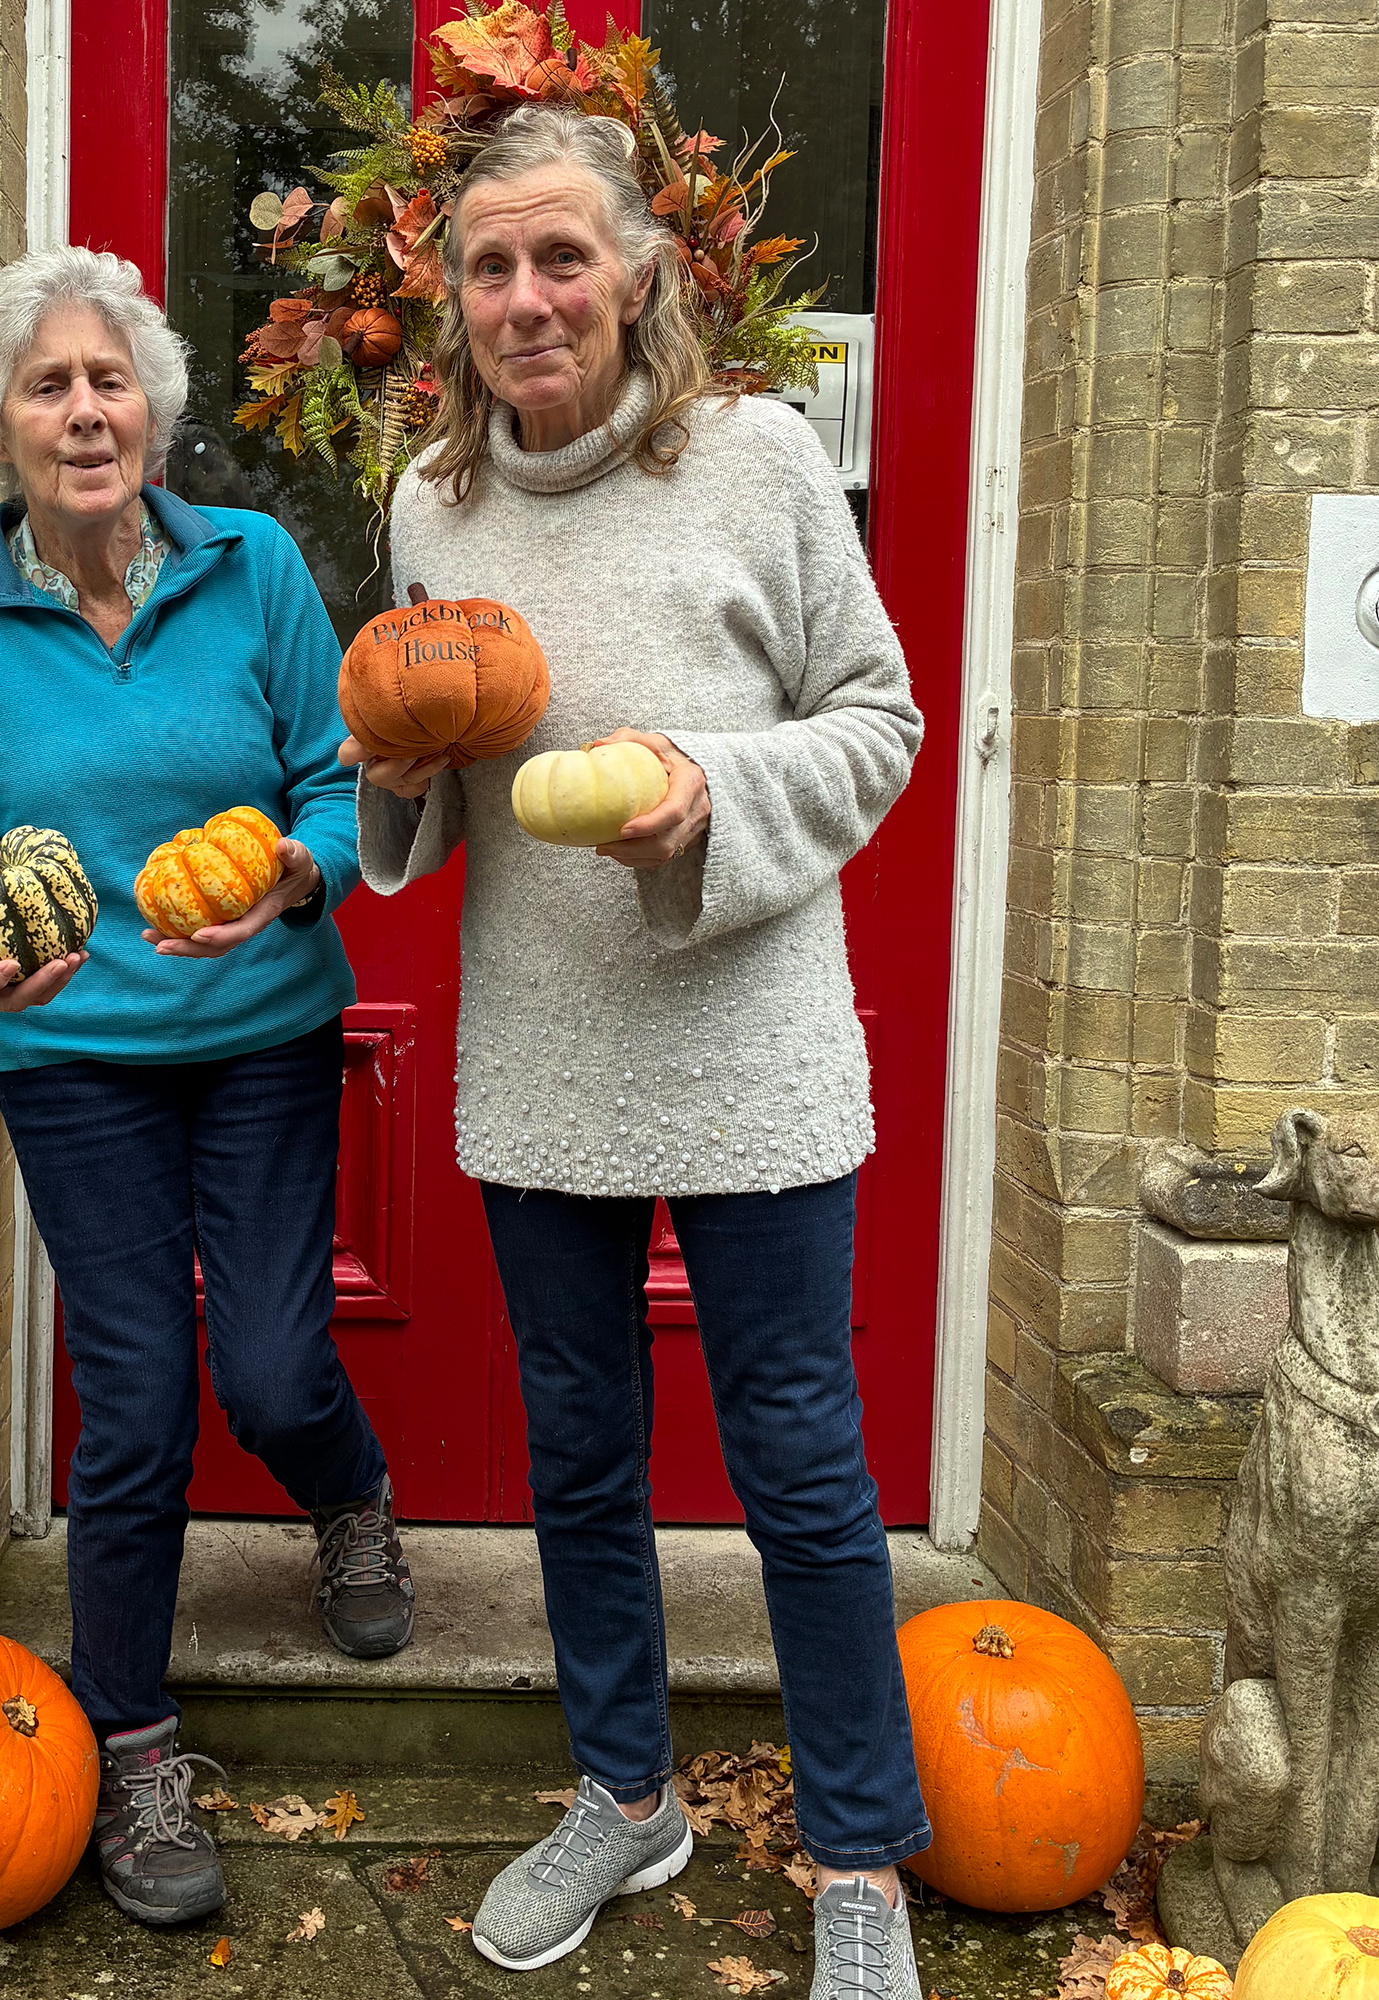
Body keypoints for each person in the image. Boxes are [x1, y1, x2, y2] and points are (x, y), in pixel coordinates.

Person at [345, 106, 929, 1999]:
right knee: (580, 1453)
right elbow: (423, 824)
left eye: (562, 259)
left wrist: (714, 788)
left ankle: (859, 1852)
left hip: (754, 1043)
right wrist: (390, 778)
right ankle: (624, 1793)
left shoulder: (759, 461)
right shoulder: (434, 503)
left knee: (803, 1463)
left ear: (640, 273)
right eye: (492, 266)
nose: (529, 298)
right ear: (452, 296)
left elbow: (881, 719)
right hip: (543, 1052)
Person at [0, 245, 415, 1931]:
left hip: (258, 1033)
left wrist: (301, 882)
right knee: (141, 1404)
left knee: (266, 1364)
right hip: (74, 1061)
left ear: (156, 413)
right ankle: (133, 1740)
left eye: (109, 381)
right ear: (2, 428)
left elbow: (335, 784)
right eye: (49, 386)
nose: (84, 411)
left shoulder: (252, 570)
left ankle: (350, 1497)